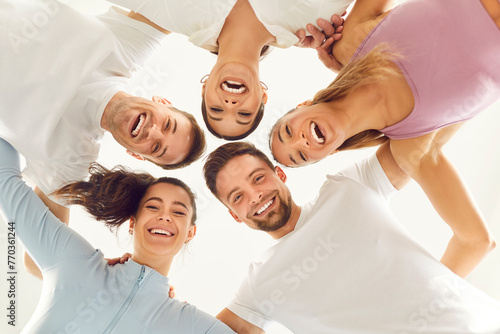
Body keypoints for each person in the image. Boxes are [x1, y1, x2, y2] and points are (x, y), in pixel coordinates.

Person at [269, 0, 500, 277]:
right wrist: (418, 310)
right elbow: (475, 241)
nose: (301, 141)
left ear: (303, 105)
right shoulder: (413, 146)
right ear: (328, 154)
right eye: (301, 156)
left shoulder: (349, 44)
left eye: (288, 132)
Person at [202, 141, 500, 334]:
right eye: (238, 196)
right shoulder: (258, 286)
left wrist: (334, 131)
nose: (256, 196)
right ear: (234, 215)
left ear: (280, 174)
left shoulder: (349, 186)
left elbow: (415, 138)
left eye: (258, 178)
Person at [0, 137, 234, 334]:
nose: (165, 216)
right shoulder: (75, 262)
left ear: (190, 233)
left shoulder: (186, 323)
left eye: (178, 212)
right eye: (153, 207)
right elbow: (5, 180)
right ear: (133, 222)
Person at [0, 0, 206, 218]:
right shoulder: (127, 48)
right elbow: (180, 7)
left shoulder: (71, 159)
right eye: (167, 125)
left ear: (135, 155)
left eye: (156, 148)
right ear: (163, 102)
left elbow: (45, 236)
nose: (152, 132)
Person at [109, 0, 348, 139]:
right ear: (262, 96)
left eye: (216, 109)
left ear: (205, 88)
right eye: (244, 114)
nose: (230, 106)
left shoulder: (171, 11)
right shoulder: (316, 19)